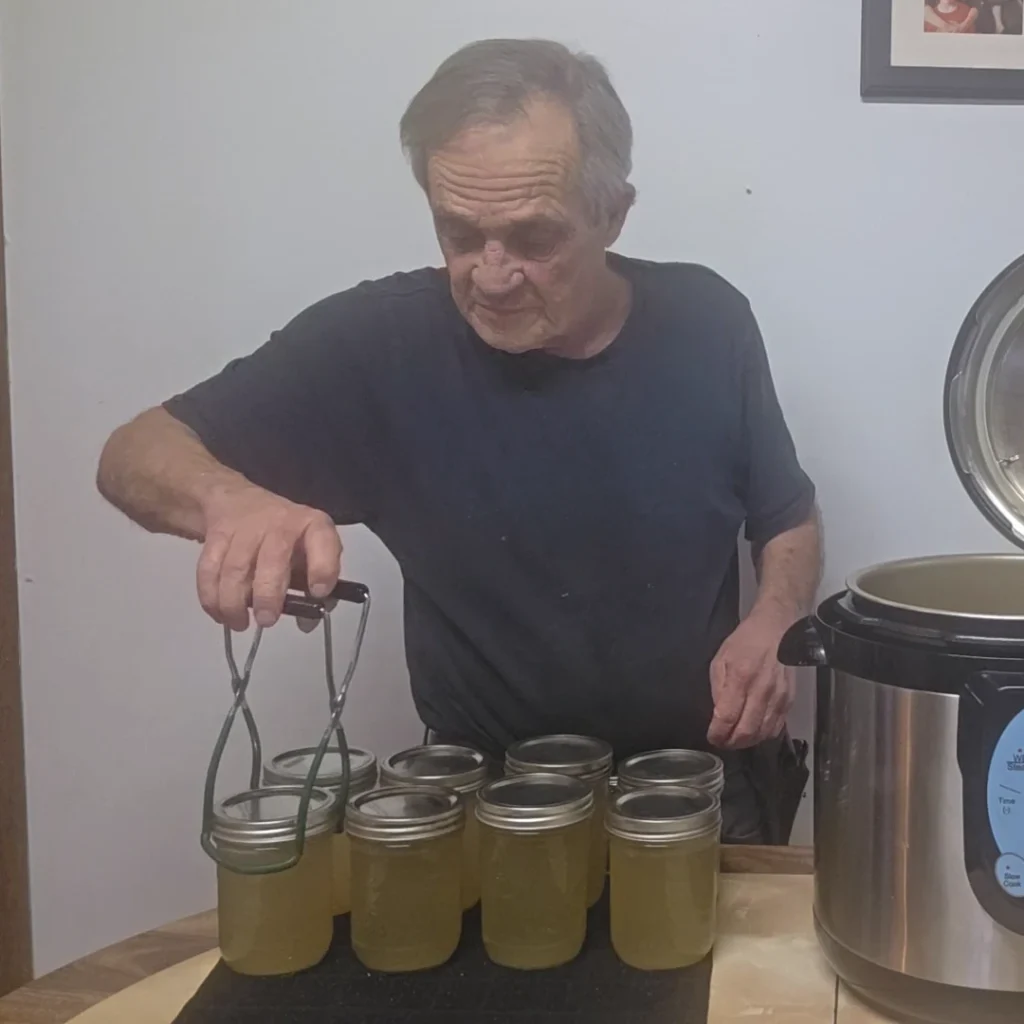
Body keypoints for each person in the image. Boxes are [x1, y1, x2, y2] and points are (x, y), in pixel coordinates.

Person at [97, 39, 821, 844]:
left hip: (699, 792)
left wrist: (774, 620)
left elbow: (786, 512)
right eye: (460, 233)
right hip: (486, 808)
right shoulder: (380, 347)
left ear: (613, 213)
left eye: (533, 237)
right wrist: (233, 504)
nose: (491, 273)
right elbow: (134, 451)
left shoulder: (709, 322)